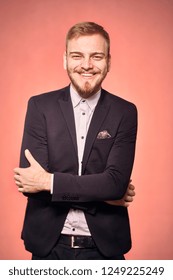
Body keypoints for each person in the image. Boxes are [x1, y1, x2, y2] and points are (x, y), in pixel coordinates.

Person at [14, 22, 137, 260]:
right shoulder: (39, 106)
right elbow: (31, 187)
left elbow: (115, 185)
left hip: (105, 250)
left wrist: (49, 182)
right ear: (65, 60)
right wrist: (104, 196)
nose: (86, 65)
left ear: (108, 62)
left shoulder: (125, 112)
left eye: (97, 56)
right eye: (77, 56)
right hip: (47, 248)